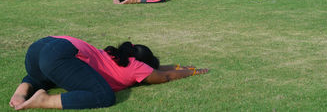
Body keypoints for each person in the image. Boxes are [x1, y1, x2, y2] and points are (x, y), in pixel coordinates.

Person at [9, 36, 208, 110]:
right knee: (103, 96)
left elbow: (162, 68)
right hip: (57, 55)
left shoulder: (112, 55)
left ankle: (22, 90)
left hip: (39, 47)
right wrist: (192, 72)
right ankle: (43, 100)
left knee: (51, 73)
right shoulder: (137, 67)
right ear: (144, 63)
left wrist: (179, 65)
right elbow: (164, 75)